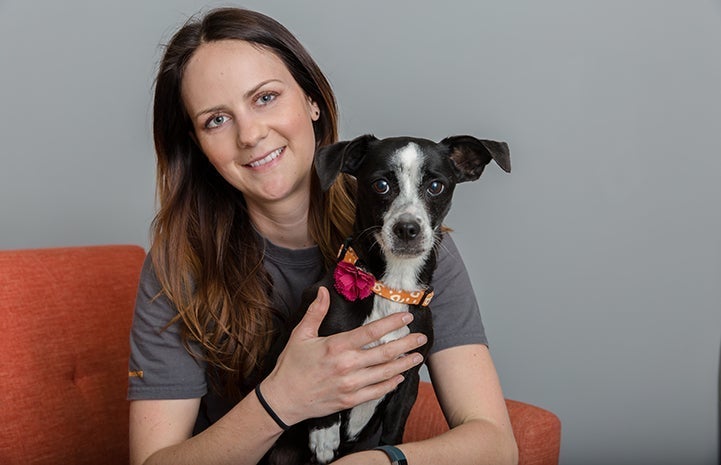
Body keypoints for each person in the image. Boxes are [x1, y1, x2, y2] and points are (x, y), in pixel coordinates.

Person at [128, 7, 517, 465]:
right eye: (217, 119)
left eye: (265, 97)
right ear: (197, 143)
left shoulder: (417, 250)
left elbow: (495, 446)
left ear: (312, 101)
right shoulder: (180, 267)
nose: (250, 134)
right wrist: (282, 398)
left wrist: (380, 461)